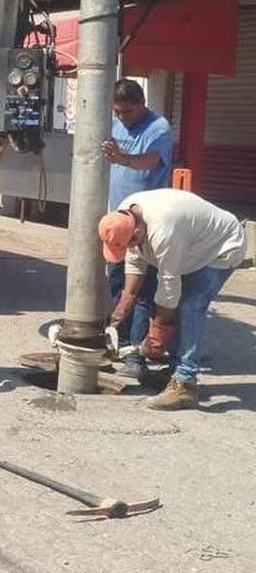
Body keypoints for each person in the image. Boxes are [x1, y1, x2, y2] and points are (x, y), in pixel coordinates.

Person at [98, 188, 246, 410]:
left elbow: (168, 287)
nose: (130, 248)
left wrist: (157, 334)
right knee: (173, 305)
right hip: (192, 249)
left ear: (137, 232)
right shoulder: (127, 213)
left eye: (130, 243)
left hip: (221, 247)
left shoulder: (164, 230)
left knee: (190, 306)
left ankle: (185, 383)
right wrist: (122, 308)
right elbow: (135, 262)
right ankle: (176, 369)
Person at [100, 80, 173, 376]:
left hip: (146, 226)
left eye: (127, 112)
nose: (122, 118)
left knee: (142, 292)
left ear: (142, 103)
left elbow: (150, 162)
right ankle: (123, 342)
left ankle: (137, 355)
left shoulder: (159, 129)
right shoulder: (115, 123)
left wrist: (122, 158)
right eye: (117, 113)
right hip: (119, 223)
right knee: (119, 285)